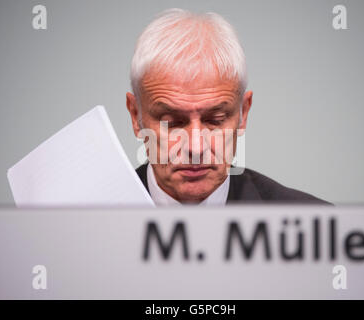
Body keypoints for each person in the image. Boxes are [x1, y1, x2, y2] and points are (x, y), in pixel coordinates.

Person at [126, 8, 331, 206]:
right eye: (171, 123)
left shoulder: (316, 226)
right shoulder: (94, 222)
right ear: (136, 116)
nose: (196, 148)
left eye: (215, 120)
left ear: (243, 113)